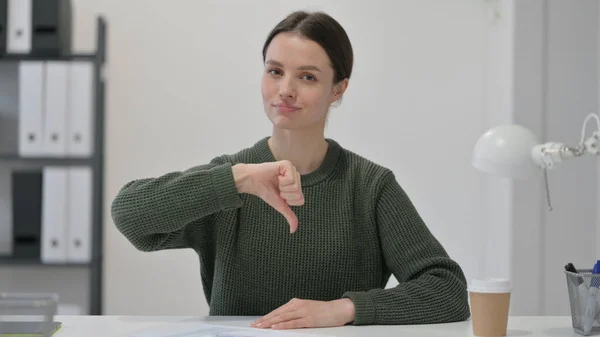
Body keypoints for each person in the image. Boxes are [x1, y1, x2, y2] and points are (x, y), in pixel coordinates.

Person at [111, 10, 471, 330]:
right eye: (275, 71)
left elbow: (447, 289)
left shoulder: (369, 186)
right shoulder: (230, 179)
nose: (285, 90)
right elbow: (129, 216)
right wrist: (240, 179)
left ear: (338, 89)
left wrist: (344, 309)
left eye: (308, 77)